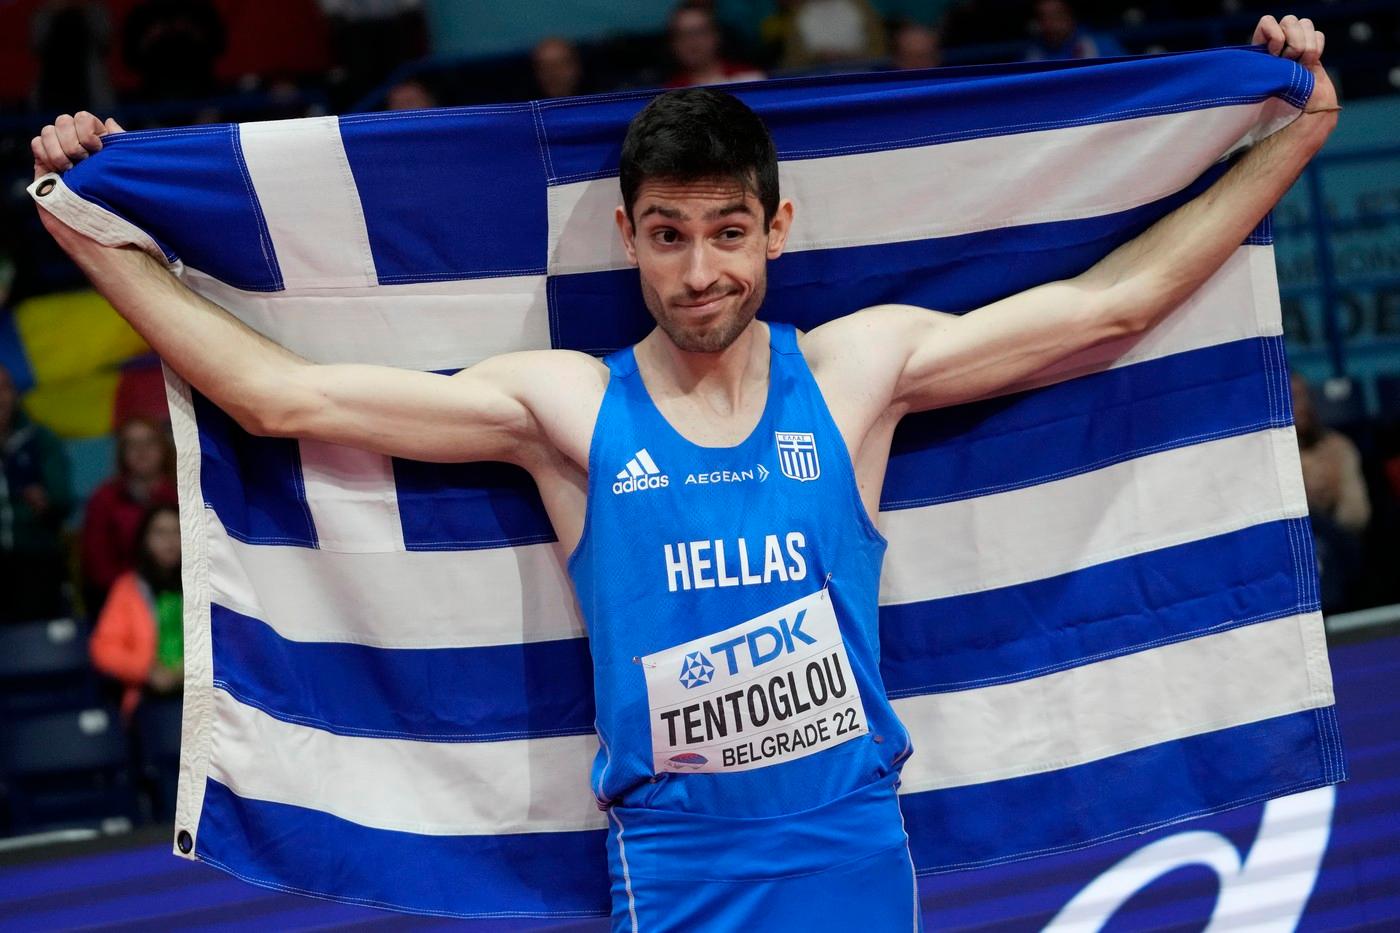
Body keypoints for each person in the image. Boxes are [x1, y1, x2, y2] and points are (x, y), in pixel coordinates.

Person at [31, 14, 1334, 929]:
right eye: (668, 236)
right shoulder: (568, 409)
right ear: (628, 237)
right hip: (676, 869)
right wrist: (90, 228)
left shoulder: (855, 375)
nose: (700, 271)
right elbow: (281, 398)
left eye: (725, 232)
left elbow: (1112, 308)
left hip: (852, 854)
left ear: (775, 230)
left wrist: (1294, 131)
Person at [88, 502, 183, 720]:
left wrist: (188, 672)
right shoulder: (128, 589)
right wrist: (147, 671)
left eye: (177, 532)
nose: (170, 541)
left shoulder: (205, 587)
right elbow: (103, 650)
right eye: (160, 533)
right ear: (144, 540)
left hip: (202, 692)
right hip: (149, 696)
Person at [80, 416, 176, 615]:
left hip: (181, 596)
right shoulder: (104, 499)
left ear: (163, 447)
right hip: (119, 602)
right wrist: (131, 593)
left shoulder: (183, 495)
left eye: (149, 441)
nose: (142, 450)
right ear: (121, 452)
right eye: (132, 444)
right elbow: (98, 565)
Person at [0, 363, 73, 623]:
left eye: (4, 388)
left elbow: (63, 500)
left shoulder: (40, 439)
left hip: (35, 557)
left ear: (15, 394)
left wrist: (46, 501)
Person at [1291, 372, 1370, 610]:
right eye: (1291, 398)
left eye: (1304, 397)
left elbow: (1357, 514)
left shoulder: (1338, 447)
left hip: (1337, 546)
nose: (1301, 406)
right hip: (1293, 550)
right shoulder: (1268, 458)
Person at [667, 1, 765, 88]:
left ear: (716, 35)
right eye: (681, 35)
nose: (691, 41)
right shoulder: (668, 92)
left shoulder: (750, 78)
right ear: (672, 44)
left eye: (699, 32)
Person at [1024, 0, 1125, 61]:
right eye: (1043, 17)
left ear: (1070, 16)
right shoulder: (1032, 53)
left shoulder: (1102, 44)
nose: (1049, 23)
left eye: (1056, 16)